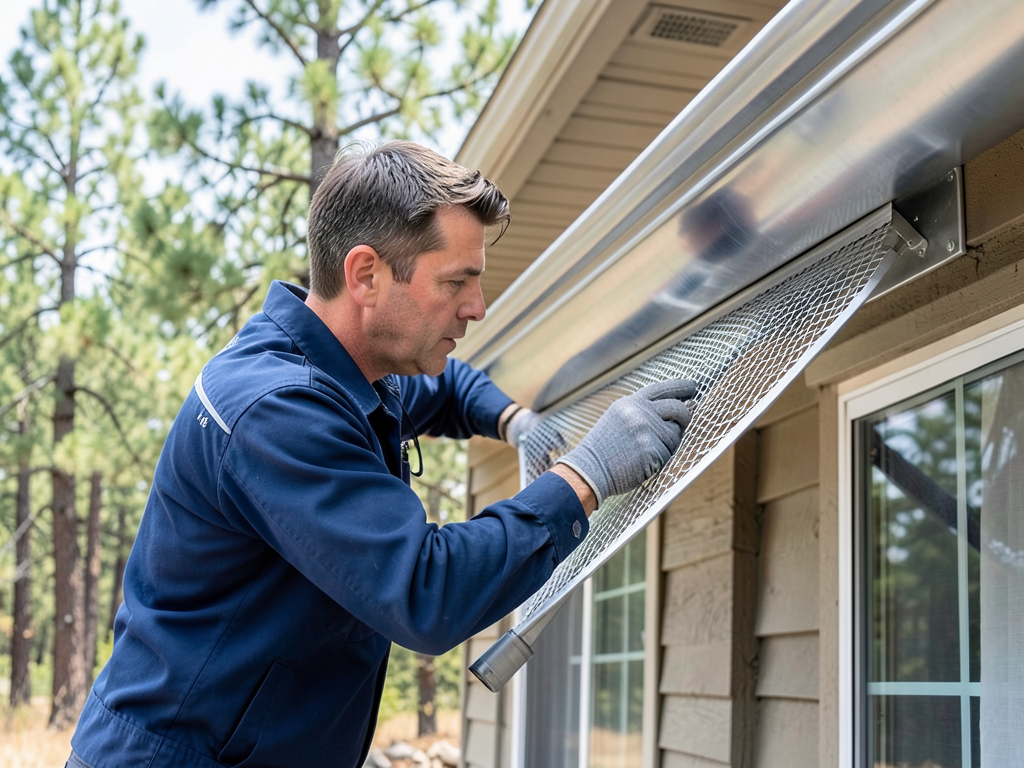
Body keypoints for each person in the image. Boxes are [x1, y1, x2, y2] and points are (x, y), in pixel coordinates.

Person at [68, 141, 695, 768]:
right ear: (366, 274)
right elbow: (425, 590)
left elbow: (446, 387)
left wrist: (515, 421)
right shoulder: (279, 411)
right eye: (456, 282)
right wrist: (585, 475)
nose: (476, 307)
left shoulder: (346, 369)